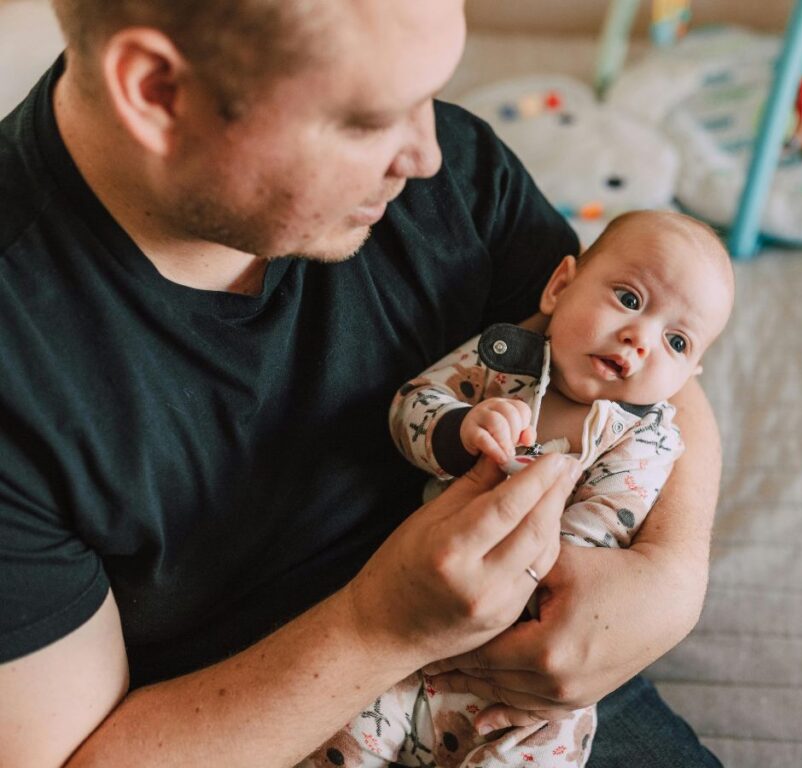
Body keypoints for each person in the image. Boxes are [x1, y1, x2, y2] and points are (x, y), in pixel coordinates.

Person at [0, 2, 724, 767]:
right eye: (368, 120)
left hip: (515, 693)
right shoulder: (22, 363)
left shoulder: (452, 171)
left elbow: (632, 352)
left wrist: (670, 578)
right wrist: (382, 625)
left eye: (429, 94)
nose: (426, 155)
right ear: (157, 91)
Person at [318, 211, 733, 767]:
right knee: (343, 741)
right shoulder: (500, 361)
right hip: (415, 636)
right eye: (630, 300)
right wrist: (460, 428)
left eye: (676, 341)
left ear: (689, 376)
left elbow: (600, 531)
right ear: (560, 286)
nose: (640, 339)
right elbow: (411, 405)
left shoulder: (646, 442)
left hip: (523, 689)